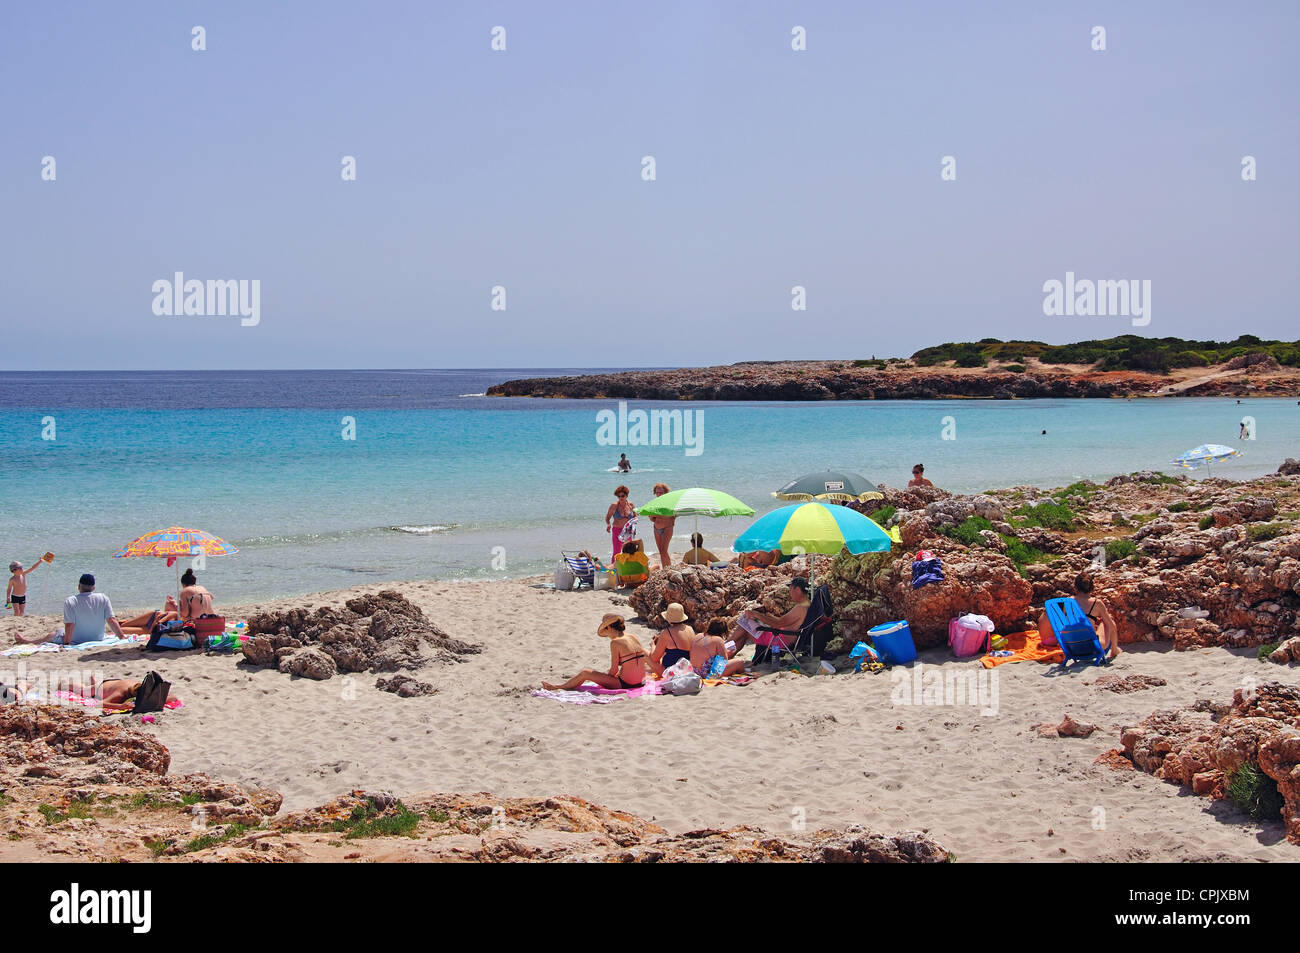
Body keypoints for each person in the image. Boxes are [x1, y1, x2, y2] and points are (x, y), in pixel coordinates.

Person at [542, 614, 648, 691]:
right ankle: (561, 686)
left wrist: (607, 675)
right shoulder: (633, 637)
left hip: (627, 684)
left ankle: (558, 687)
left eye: (606, 632)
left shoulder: (615, 642)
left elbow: (614, 670)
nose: (607, 636)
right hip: (641, 682)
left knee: (585, 673)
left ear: (609, 627)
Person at [15, 573, 127, 645]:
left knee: (53, 634)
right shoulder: (103, 598)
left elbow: (70, 625)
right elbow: (111, 620)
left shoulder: (71, 601)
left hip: (76, 640)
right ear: (93, 588)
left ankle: (27, 641)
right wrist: (121, 637)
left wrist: (67, 643)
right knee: (58, 632)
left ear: (79, 587)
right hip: (98, 638)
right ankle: (26, 641)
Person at [1037, 571, 1121, 660]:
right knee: (1108, 621)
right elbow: (1111, 627)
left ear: (1076, 587)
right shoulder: (1097, 603)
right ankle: (1114, 650)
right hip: (1092, 648)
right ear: (1092, 587)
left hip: (1071, 647)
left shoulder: (1068, 601)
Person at [729, 577, 812, 653]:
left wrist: (756, 614)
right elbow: (783, 622)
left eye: (790, 590)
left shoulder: (800, 608)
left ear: (797, 590)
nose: (789, 593)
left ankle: (722, 650)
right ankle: (724, 657)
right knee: (742, 634)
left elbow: (777, 624)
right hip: (785, 636)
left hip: (780, 639)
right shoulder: (808, 604)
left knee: (744, 629)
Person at [650, 603, 695, 676]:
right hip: (687, 670)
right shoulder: (690, 629)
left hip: (672, 672)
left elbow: (654, 658)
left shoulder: (666, 633)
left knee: (644, 654)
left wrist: (652, 645)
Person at [605, 486, 636, 562]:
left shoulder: (631, 505)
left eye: (622, 496)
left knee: (629, 551)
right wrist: (608, 524)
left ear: (626, 495)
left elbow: (635, 516)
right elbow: (607, 517)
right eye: (618, 496)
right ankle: (615, 569)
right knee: (617, 552)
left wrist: (634, 521)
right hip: (617, 531)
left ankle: (627, 567)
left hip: (628, 531)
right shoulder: (614, 506)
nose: (620, 498)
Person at [649, 483, 675, 568]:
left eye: (661, 492)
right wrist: (654, 515)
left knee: (664, 551)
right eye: (657, 492)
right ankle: (666, 569)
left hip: (667, 528)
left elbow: (675, 514)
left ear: (665, 492)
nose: (659, 494)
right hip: (656, 529)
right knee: (661, 552)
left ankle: (668, 569)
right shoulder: (654, 503)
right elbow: (651, 519)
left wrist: (667, 518)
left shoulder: (670, 503)